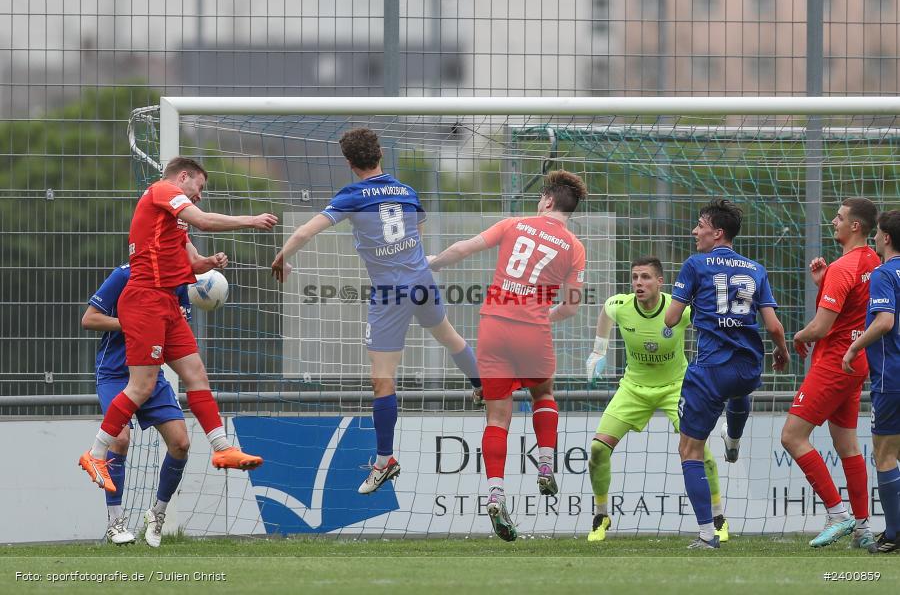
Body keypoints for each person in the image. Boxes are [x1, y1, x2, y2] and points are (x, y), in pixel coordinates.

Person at [270, 128, 482, 494]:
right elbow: (414, 231)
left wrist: (282, 257)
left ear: (350, 163)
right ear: (380, 154)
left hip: (389, 295)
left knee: (382, 378)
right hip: (421, 283)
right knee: (450, 337)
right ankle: (482, 386)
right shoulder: (407, 192)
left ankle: (385, 461)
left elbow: (306, 231)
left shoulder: (351, 195)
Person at [79, 157, 277, 504]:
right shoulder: (162, 190)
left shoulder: (174, 222)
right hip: (144, 300)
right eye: (199, 187)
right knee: (141, 386)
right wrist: (250, 220)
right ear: (183, 177)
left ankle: (222, 448)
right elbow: (203, 221)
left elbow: (192, 262)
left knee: (196, 373)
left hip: (167, 304)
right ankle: (95, 454)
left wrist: (209, 264)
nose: (199, 196)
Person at [428, 170, 587, 542]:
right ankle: (545, 464)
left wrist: (434, 262)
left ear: (547, 200)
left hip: (493, 326)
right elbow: (571, 307)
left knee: (497, 416)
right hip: (533, 329)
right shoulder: (574, 247)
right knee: (543, 394)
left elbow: (464, 247)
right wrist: (542, 314)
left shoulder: (513, 224)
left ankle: (496, 493)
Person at [665, 198, 789, 549]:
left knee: (689, 450)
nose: (695, 231)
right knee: (739, 391)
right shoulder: (755, 268)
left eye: (700, 225)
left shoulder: (695, 265)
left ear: (717, 232)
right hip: (750, 365)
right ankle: (733, 440)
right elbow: (775, 325)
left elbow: (671, 319)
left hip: (711, 369)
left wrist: (689, 302)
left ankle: (707, 535)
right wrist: (780, 351)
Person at [585, 256, 729, 543]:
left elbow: (711, 325)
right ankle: (601, 515)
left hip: (677, 387)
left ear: (660, 281)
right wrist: (599, 351)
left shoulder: (679, 309)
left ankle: (718, 518)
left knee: (699, 451)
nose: (639, 282)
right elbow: (605, 312)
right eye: (635, 277)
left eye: (646, 277)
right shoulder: (620, 306)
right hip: (633, 388)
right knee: (598, 450)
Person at [83, 248, 220, 546]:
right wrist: (132, 322)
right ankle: (115, 522)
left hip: (151, 374)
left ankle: (156, 515)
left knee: (181, 443)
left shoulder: (178, 283)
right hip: (115, 373)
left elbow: (174, 332)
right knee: (119, 439)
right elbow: (89, 319)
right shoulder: (124, 274)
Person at [783, 197, 880, 549]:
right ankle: (863, 528)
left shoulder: (843, 267)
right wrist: (824, 283)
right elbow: (853, 308)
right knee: (847, 444)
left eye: (839, 218)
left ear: (856, 226)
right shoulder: (872, 261)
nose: (833, 222)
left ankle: (837, 514)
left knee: (792, 437)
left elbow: (822, 328)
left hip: (833, 363)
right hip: (856, 362)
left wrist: (799, 335)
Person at [842, 209, 900, 554]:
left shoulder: (884, 273)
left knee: (885, 454)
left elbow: (884, 322)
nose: (875, 238)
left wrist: (853, 348)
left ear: (887, 238)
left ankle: (893, 535)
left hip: (892, 377)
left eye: (877, 234)